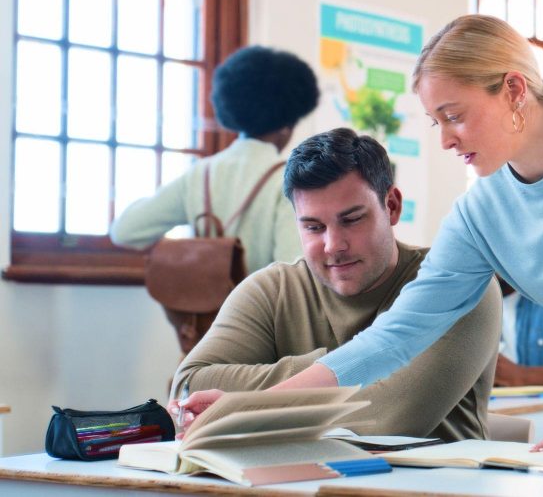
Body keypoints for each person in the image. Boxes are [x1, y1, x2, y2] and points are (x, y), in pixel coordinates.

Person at [178, 15, 543, 448]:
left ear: (513, 90)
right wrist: (247, 406)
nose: (446, 139)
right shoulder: (480, 213)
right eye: (436, 122)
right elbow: (394, 336)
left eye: (453, 115)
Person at [172, 128, 502, 440]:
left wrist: (240, 406)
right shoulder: (271, 290)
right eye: (314, 227)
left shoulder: (459, 286)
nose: (333, 245)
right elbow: (189, 388)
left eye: (352, 220)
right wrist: (352, 368)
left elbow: (387, 421)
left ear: (392, 206)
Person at [110, 46, 318, 354]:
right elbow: (293, 270)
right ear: (288, 123)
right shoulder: (288, 178)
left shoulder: (200, 175)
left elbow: (125, 230)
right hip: (261, 343)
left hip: (202, 338)